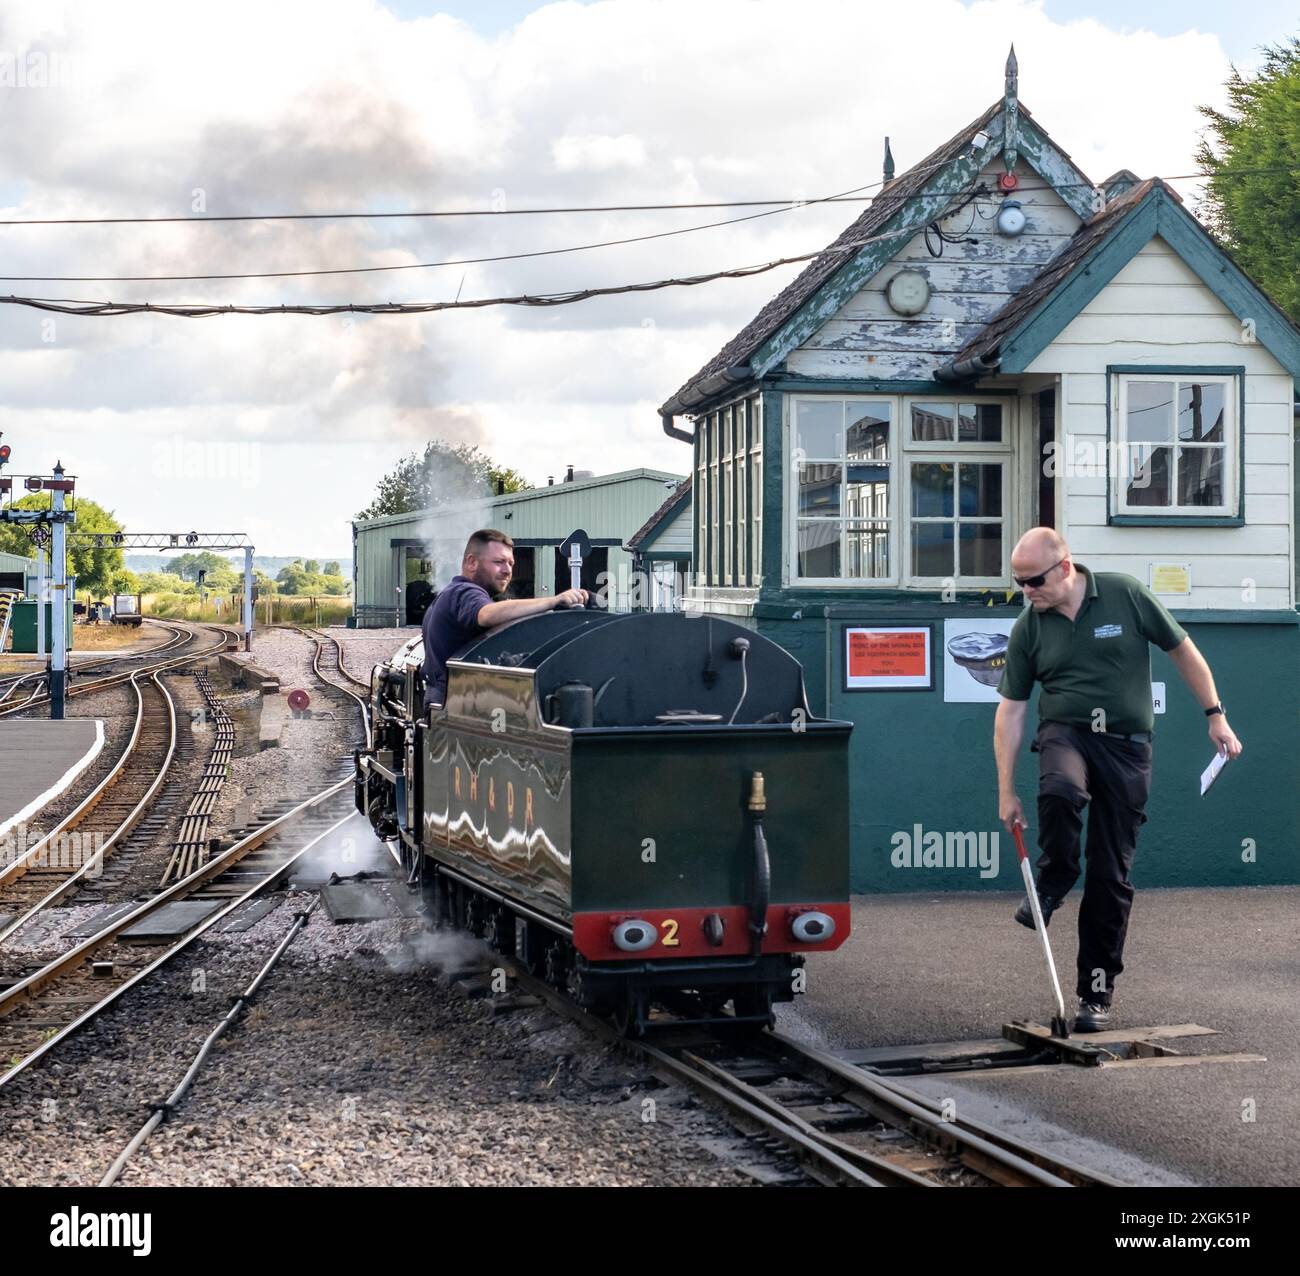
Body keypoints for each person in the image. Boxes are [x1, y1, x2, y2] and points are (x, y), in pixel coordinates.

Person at [993, 528, 1243, 1032]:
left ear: (1065, 567)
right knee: (1061, 790)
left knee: (1111, 875)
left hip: (1128, 749)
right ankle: (1055, 879)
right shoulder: (1030, 627)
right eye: (1018, 583)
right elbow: (1011, 711)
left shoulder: (1125, 594)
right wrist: (1005, 791)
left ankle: (1096, 996)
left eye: (1034, 580)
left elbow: (1183, 651)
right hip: (1067, 732)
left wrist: (1215, 715)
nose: (1027, 591)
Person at [421, 528, 588, 712]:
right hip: (458, 706)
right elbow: (486, 614)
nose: (507, 570)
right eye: (499, 562)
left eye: (510, 563)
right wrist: (553, 601)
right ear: (471, 562)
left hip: (445, 702)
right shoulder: (464, 592)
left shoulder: (448, 595)